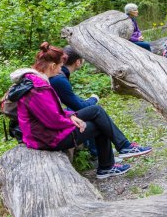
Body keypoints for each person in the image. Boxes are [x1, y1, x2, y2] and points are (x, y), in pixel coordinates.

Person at [11, 43, 132, 178]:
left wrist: (71, 115)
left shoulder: (34, 81)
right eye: (60, 67)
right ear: (52, 66)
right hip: (47, 138)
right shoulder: (39, 89)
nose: (60, 70)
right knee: (99, 124)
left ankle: (121, 150)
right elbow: (54, 122)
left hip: (43, 133)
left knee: (96, 111)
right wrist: (72, 120)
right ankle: (110, 163)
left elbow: (53, 113)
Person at [49, 46, 152, 159]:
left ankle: (108, 155)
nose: (60, 68)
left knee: (94, 114)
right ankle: (115, 150)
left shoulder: (60, 77)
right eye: (59, 65)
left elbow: (72, 102)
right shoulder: (59, 79)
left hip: (57, 120)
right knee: (96, 113)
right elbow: (78, 106)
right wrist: (93, 99)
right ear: (78, 62)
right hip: (54, 130)